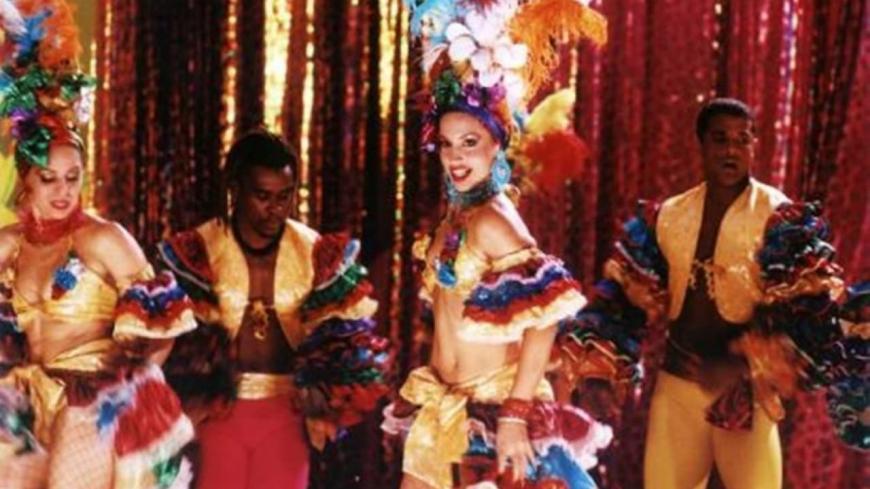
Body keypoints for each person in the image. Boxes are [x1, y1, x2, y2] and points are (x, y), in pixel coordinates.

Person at [561, 97, 862, 489]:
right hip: (677, 390)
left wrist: (745, 363)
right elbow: (622, 298)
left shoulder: (779, 218)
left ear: (754, 145)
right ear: (701, 145)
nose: (731, 150)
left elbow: (811, 318)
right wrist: (599, 372)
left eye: (742, 139)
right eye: (720, 139)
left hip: (744, 395)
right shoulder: (668, 216)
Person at [382, 1, 613, 488]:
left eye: (469, 143)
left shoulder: (494, 219)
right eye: (447, 144)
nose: (455, 157)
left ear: (496, 144)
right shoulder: (457, 215)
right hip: (446, 406)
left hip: (491, 413)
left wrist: (515, 413)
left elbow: (545, 320)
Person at [0, 2, 197, 488]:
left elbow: (165, 328)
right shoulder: (9, 244)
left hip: (92, 403)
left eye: (73, 177)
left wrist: (128, 393)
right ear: (26, 181)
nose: (63, 191)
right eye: (48, 179)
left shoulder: (103, 238)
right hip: (29, 397)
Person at [156, 129, 390, 489]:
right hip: (218, 413)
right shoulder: (199, 250)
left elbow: (344, 337)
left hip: (286, 413)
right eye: (263, 196)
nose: (275, 209)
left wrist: (323, 397)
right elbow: (170, 339)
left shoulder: (314, 252)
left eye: (285, 196)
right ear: (236, 189)